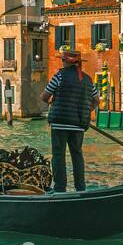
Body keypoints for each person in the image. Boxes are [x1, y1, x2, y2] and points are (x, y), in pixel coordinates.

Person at [41, 48, 96, 192]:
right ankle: (80, 187)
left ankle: (60, 188)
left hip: (59, 123)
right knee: (77, 155)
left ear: (66, 62)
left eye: (62, 60)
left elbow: (44, 96)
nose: (62, 63)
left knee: (58, 155)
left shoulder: (60, 76)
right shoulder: (88, 79)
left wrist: (53, 102)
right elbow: (96, 100)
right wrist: (87, 110)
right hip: (78, 124)